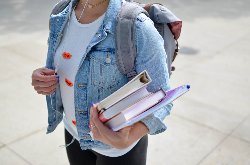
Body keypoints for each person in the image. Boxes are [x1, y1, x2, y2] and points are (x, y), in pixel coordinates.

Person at [31, 0, 172, 164]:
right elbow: (69, 63)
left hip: (119, 152)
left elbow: (162, 95)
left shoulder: (137, 25)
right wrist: (44, 78)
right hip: (73, 133)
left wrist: (128, 138)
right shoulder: (60, 12)